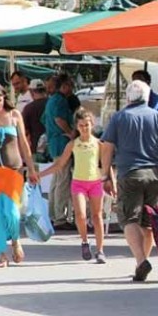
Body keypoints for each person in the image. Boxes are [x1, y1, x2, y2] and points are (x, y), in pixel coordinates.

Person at [101, 80, 158, 281]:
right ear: (146, 97)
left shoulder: (119, 118)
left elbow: (107, 147)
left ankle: (141, 260)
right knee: (148, 221)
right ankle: (141, 263)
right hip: (154, 175)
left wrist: (105, 176)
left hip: (129, 174)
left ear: (128, 97)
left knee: (129, 219)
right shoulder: (157, 116)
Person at [39, 109, 112, 263]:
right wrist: (39, 175)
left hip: (95, 182)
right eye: (81, 125)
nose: (84, 128)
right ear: (77, 127)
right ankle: (85, 241)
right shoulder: (73, 144)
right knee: (80, 215)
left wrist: (112, 183)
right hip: (78, 182)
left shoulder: (99, 144)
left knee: (97, 216)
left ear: (92, 125)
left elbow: (107, 165)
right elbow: (59, 165)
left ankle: (100, 250)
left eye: (87, 125)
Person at [0, 83, 39, 267]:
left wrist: (31, 168)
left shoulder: (14, 115)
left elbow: (24, 143)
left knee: (12, 212)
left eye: (0, 100)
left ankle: (15, 240)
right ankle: (2, 254)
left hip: (13, 170)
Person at [43, 74, 75, 229]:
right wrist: (70, 132)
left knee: (56, 180)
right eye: (70, 85)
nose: (72, 89)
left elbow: (45, 119)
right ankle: (60, 218)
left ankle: (53, 214)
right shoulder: (61, 101)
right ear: (64, 85)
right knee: (62, 180)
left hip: (54, 142)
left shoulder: (51, 100)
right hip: (62, 143)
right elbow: (59, 119)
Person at [21, 79, 48, 156]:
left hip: (36, 148)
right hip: (53, 146)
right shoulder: (52, 104)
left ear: (31, 92)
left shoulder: (28, 108)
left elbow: (24, 130)